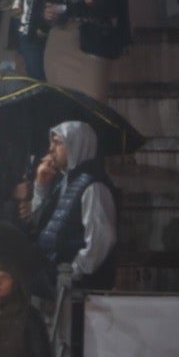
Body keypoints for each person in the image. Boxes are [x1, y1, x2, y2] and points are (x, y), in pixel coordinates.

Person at [32, 121, 117, 289]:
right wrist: (41, 186)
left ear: (75, 145)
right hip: (53, 281)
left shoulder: (94, 186)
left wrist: (70, 276)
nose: (50, 149)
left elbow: (99, 243)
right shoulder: (63, 181)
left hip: (78, 289)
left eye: (57, 143)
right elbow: (37, 222)